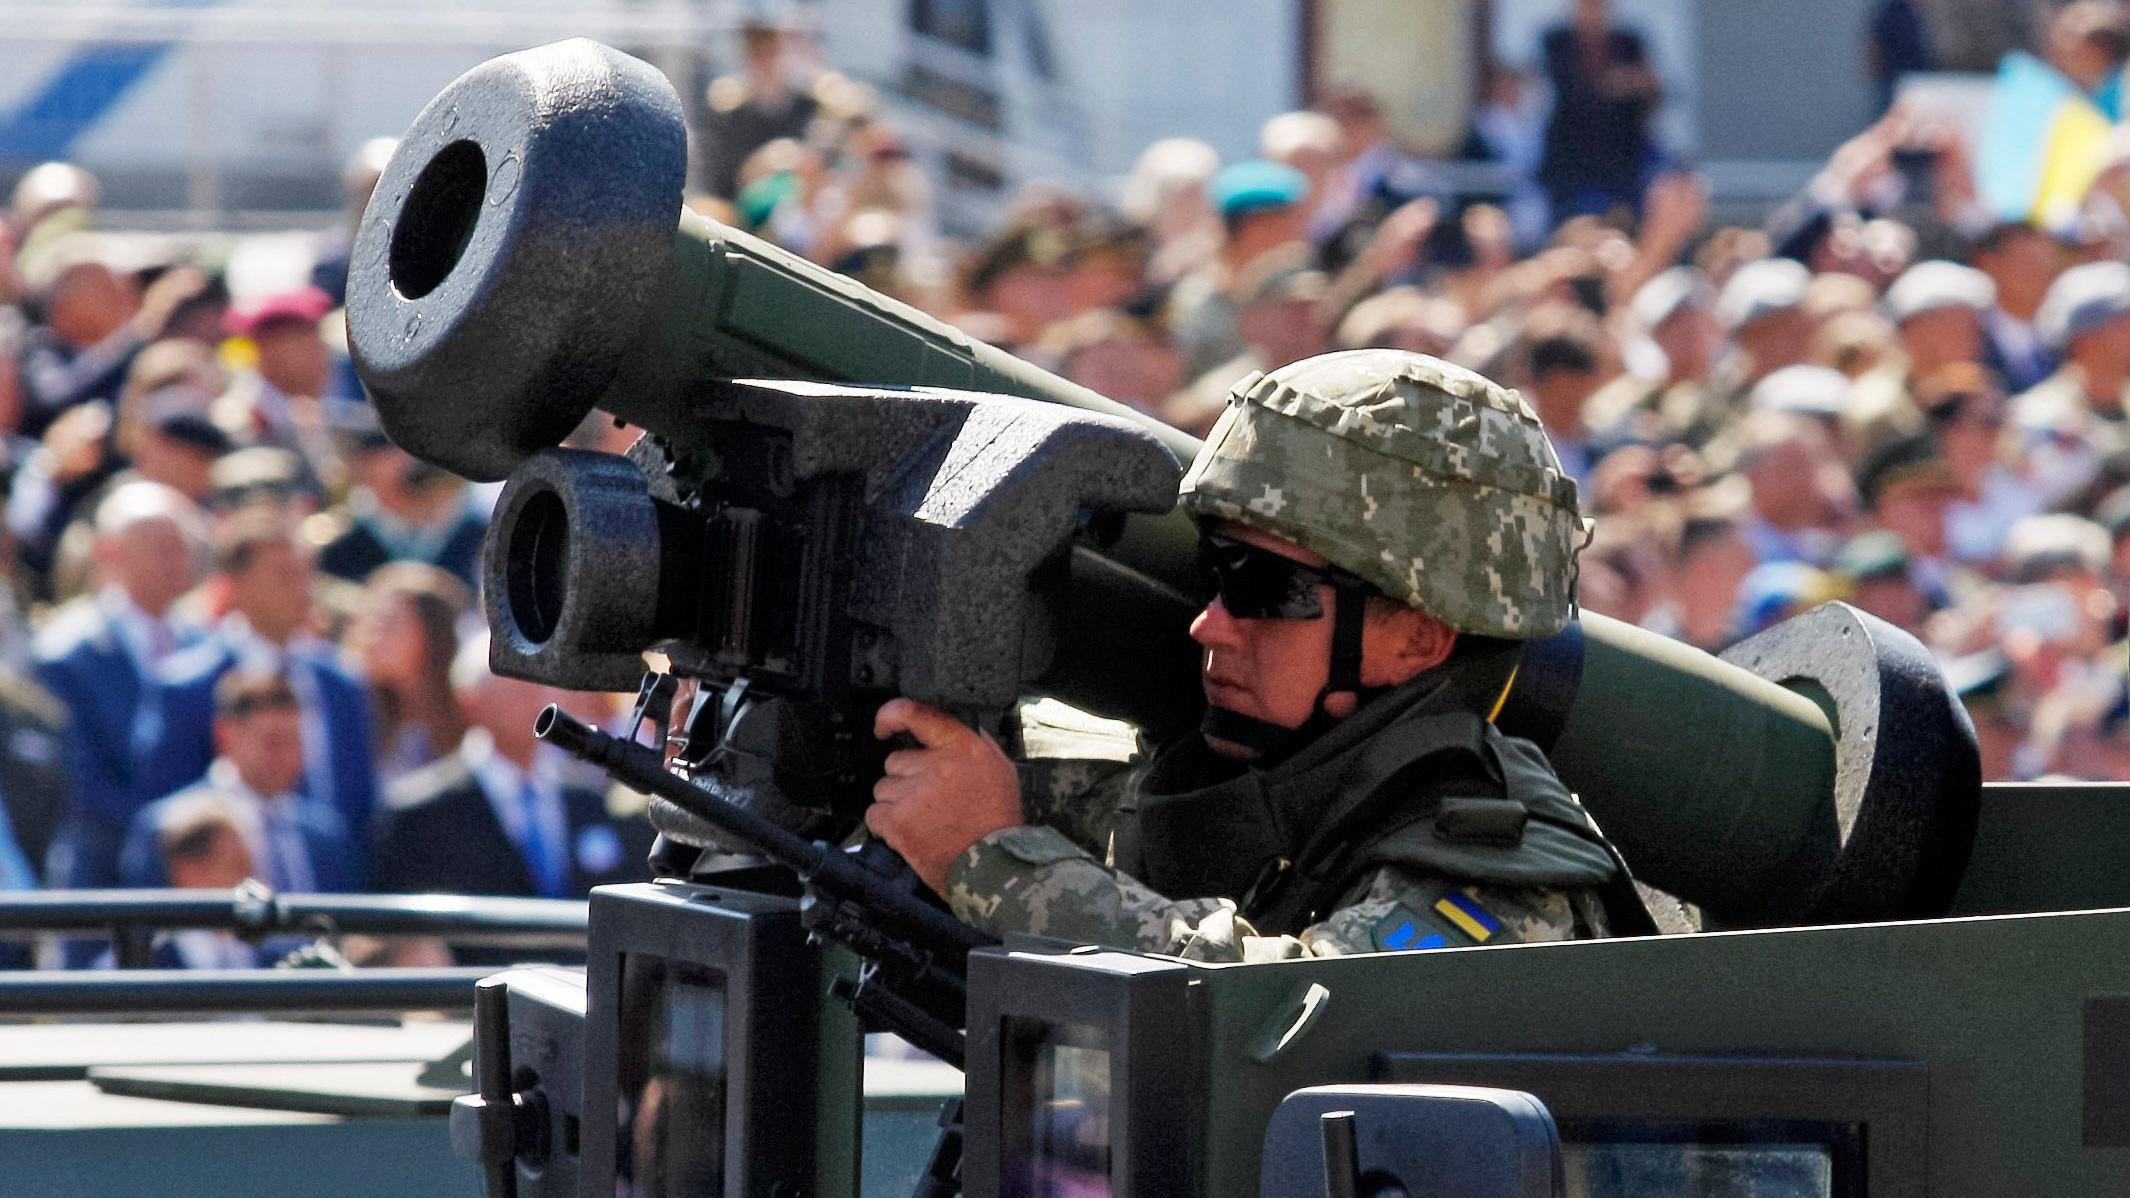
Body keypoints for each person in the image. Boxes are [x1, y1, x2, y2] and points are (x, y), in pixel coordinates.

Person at [866, 350, 1645, 962]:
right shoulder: (1271, 780)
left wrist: (990, 863)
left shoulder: (1506, 886)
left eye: (1267, 589)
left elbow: (1285, 1024)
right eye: (1216, 575)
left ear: (1416, 639)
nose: (1211, 626)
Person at [149, 509, 377, 846]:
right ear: (235, 585)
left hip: (332, 885)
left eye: (306, 573)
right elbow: (173, 813)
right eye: (284, 575)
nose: (303, 588)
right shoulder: (188, 687)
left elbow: (359, 800)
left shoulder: (342, 683)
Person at [370, 633, 651, 904]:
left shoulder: (591, 801)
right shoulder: (420, 814)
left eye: (540, 685)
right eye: (517, 686)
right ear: (470, 699)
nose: (534, 699)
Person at [35, 480, 206, 890]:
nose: (176, 558)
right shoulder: (66, 654)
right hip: (106, 879)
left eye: (181, 544)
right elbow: (78, 784)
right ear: (109, 552)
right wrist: (165, 836)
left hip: (202, 873)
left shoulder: (211, 648)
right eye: (159, 544)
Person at [119, 669, 362, 894]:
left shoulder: (325, 835)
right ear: (225, 735)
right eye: (273, 742)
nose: (288, 757)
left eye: (296, 742)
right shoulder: (168, 830)